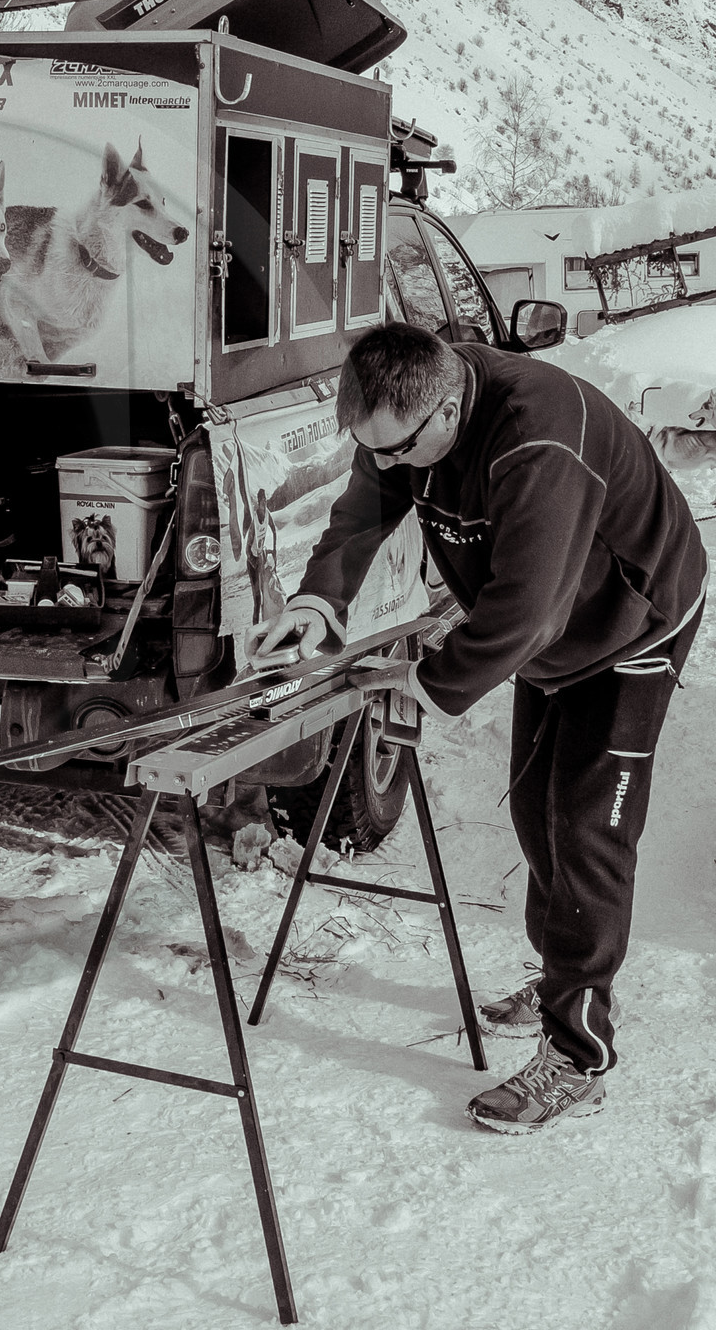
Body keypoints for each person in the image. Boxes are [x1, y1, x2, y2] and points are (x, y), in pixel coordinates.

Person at [252, 323, 705, 1135]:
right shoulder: (407, 415)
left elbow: (525, 614)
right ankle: (564, 969)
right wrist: (319, 600)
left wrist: (425, 683)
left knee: (587, 826)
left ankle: (578, 1049)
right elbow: (366, 507)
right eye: (370, 447)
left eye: (396, 450)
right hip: (552, 630)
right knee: (536, 812)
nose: (383, 464)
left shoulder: (539, 440)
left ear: (450, 409)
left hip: (634, 618)